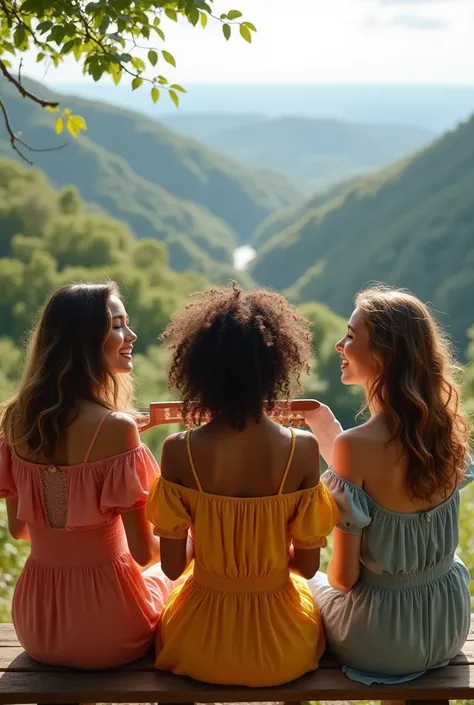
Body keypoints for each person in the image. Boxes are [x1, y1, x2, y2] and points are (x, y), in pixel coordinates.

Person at [145, 283, 338, 686]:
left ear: (198, 370)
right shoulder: (300, 450)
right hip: (281, 646)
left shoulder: (179, 450)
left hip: (195, 642)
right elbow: (305, 568)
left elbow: (173, 567)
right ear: (278, 368)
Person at [0, 282, 173, 669]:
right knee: (177, 574)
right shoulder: (115, 429)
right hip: (109, 629)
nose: (130, 336)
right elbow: (145, 554)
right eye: (116, 325)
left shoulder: (16, 422)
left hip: (37, 624)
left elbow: (20, 531)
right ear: (84, 339)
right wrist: (192, 542)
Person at [305, 285, 472, 684]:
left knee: (301, 582)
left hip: (382, 640)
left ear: (383, 354)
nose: (339, 345)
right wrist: (331, 436)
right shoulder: (447, 431)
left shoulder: (355, 446)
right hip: (446, 623)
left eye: (350, 335)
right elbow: (392, 483)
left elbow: (344, 580)